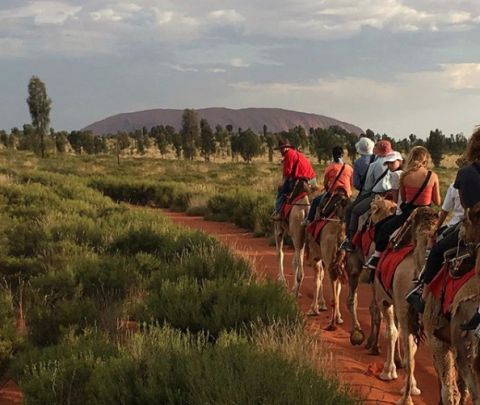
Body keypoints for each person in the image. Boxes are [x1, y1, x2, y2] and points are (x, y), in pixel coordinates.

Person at [406, 130, 480, 319]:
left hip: (472, 230)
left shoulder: (465, 173)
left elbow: (459, 206)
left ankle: (422, 295)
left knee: (438, 251)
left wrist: (438, 225)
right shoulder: (434, 176)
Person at [365, 146, 440, 269]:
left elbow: (404, 200)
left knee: (382, 228)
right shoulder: (433, 176)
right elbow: (437, 201)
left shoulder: (405, 176)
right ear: (425, 160)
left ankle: (376, 256)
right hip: (428, 213)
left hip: (410, 213)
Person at [341, 140, 393, 251]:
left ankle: (350, 241)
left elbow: (367, 185)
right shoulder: (395, 162)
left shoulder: (374, 164)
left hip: (376, 194)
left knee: (353, 211)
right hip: (392, 194)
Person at [302, 146, 353, 224]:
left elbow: (325, 183)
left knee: (315, 201)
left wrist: (327, 188)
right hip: (347, 194)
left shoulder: (330, 168)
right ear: (342, 155)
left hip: (334, 194)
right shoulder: (349, 168)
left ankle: (309, 220)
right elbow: (352, 183)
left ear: (332, 155)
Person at [271, 140, 316, 220]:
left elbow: (287, 173)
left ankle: (278, 212)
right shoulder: (299, 154)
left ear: (286, 148)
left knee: (281, 191)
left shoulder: (288, 154)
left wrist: (282, 183)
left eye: (282, 149)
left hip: (301, 181)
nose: (281, 151)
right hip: (312, 180)